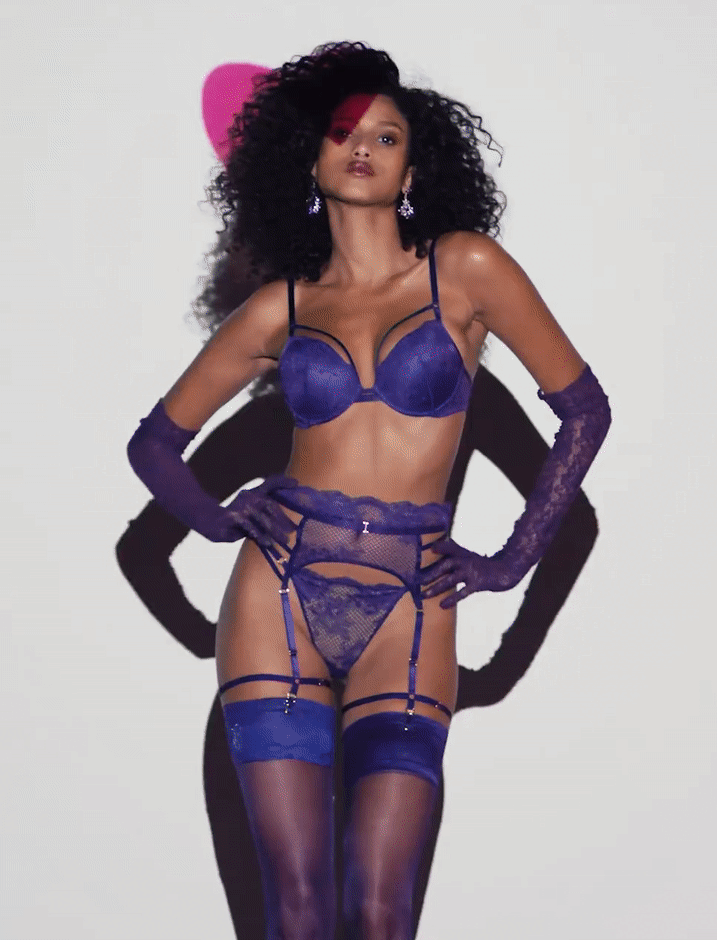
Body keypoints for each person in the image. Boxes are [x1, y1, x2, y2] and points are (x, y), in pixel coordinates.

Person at [127, 42, 611, 940]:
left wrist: (511, 560)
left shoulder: (465, 269)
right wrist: (216, 519)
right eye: (343, 132)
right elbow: (153, 443)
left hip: (412, 604)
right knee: (297, 909)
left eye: (386, 136)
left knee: (383, 914)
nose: (362, 147)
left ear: (414, 170)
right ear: (308, 161)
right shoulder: (281, 307)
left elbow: (585, 410)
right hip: (278, 595)